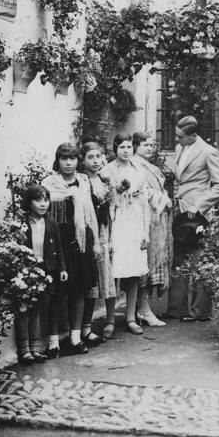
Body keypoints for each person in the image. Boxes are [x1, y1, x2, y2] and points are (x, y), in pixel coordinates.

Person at [167, 116, 219, 322]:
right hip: (180, 211)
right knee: (179, 258)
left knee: (200, 260)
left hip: (197, 215)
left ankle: (200, 311)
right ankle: (176, 308)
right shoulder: (180, 149)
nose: (177, 140)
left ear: (193, 136)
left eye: (180, 137)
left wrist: (199, 206)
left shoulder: (208, 152)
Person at [43, 143, 100, 355]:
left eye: (72, 158)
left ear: (78, 160)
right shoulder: (49, 183)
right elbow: (45, 212)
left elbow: (90, 213)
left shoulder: (84, 181)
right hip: (58, 241)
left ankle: (76, 338)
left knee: (79, 289)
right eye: (64, 159)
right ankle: (53, 341)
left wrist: (96, 242)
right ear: (57, 161)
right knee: (57, 292)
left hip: (82, 240)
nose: (68, 163)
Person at [100, 133, 150, 335]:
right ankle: (110, 319)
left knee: (133, 273)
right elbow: (105, 205)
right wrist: (108, 236)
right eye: (122, 147)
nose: (126, 151)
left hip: (135, 223)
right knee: (112, 273)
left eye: (129, 147)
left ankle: (130, 317)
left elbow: (145, 202)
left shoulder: (140, 170)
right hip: (116, 224)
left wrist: (145, 232)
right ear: (115, 148)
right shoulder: (107, 171)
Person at [16, 185, 67, 364]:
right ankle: (24, 349)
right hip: (25, 270)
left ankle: (36, 349)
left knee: (38, 308)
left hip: (44, 271)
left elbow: (59, 247)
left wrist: (62, 268)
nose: (43, 204)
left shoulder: (50, 222)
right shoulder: (21, 221)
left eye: (46, 199)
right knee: (23, 308)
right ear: (29, 202)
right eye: (38, 200)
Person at [132, 131, 173, 327]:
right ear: (135, 146)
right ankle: (143, 310)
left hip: (156, 221)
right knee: (143, 264)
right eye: (145, 145)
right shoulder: (134, 166)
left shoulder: (150, 167)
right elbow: (143, 192)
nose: (149, 148)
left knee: (151, 262)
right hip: (143, 220)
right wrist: (164, 199)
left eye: (151, 145)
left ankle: (140, 309)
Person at [82, 141, 117, 340]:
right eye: (90, 157)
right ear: (83, 160)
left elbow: (112, 211)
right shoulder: (82, 181)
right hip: (88, 234)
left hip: (104, 232)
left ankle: (110, 320)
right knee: (90, 279)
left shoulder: (105, 180)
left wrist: (110, 238)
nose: (95, 161)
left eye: (98, 157)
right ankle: (84, 327)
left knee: (107, 275)